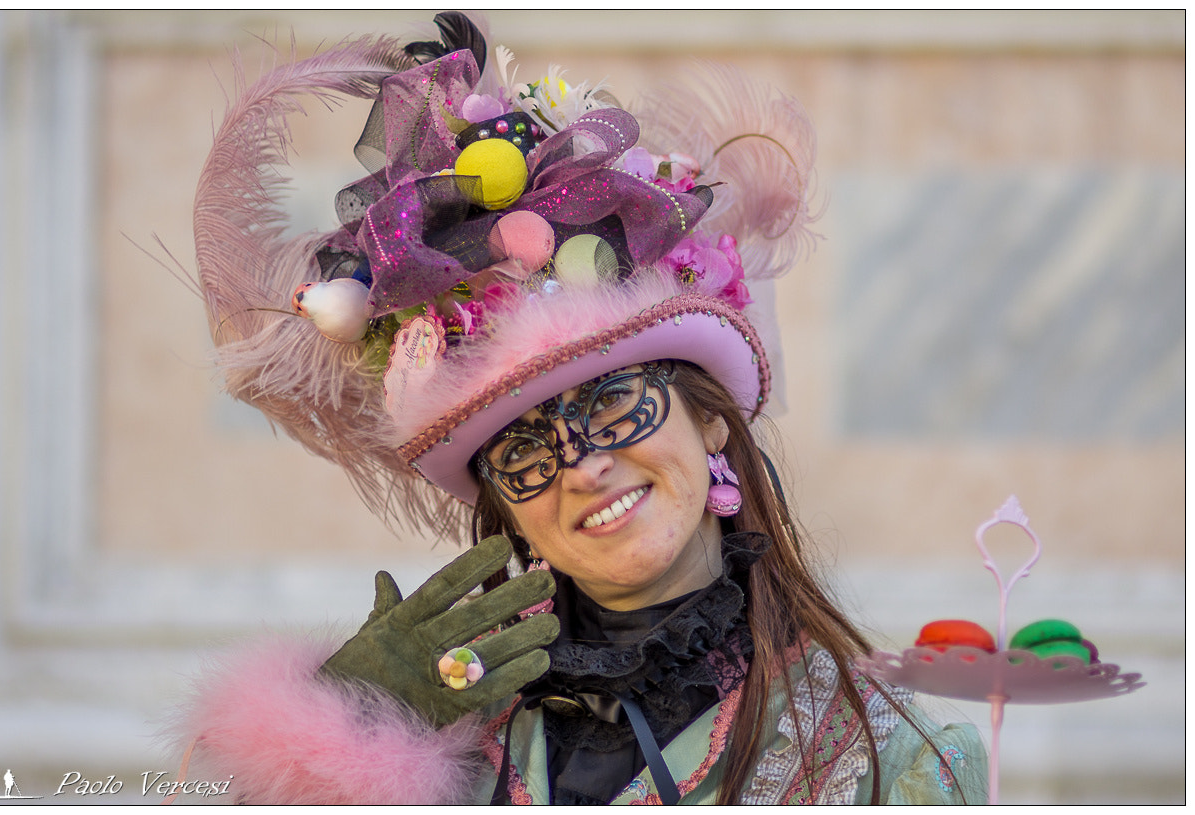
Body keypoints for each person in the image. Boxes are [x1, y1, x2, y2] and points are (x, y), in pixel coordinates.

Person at [170, 12, 988, 805]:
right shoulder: (442, 740)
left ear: (708, 419)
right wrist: (325, 745)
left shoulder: (893, 767)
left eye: (615, 405)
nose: (586, 464)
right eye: (525, 448)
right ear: (507, 513)